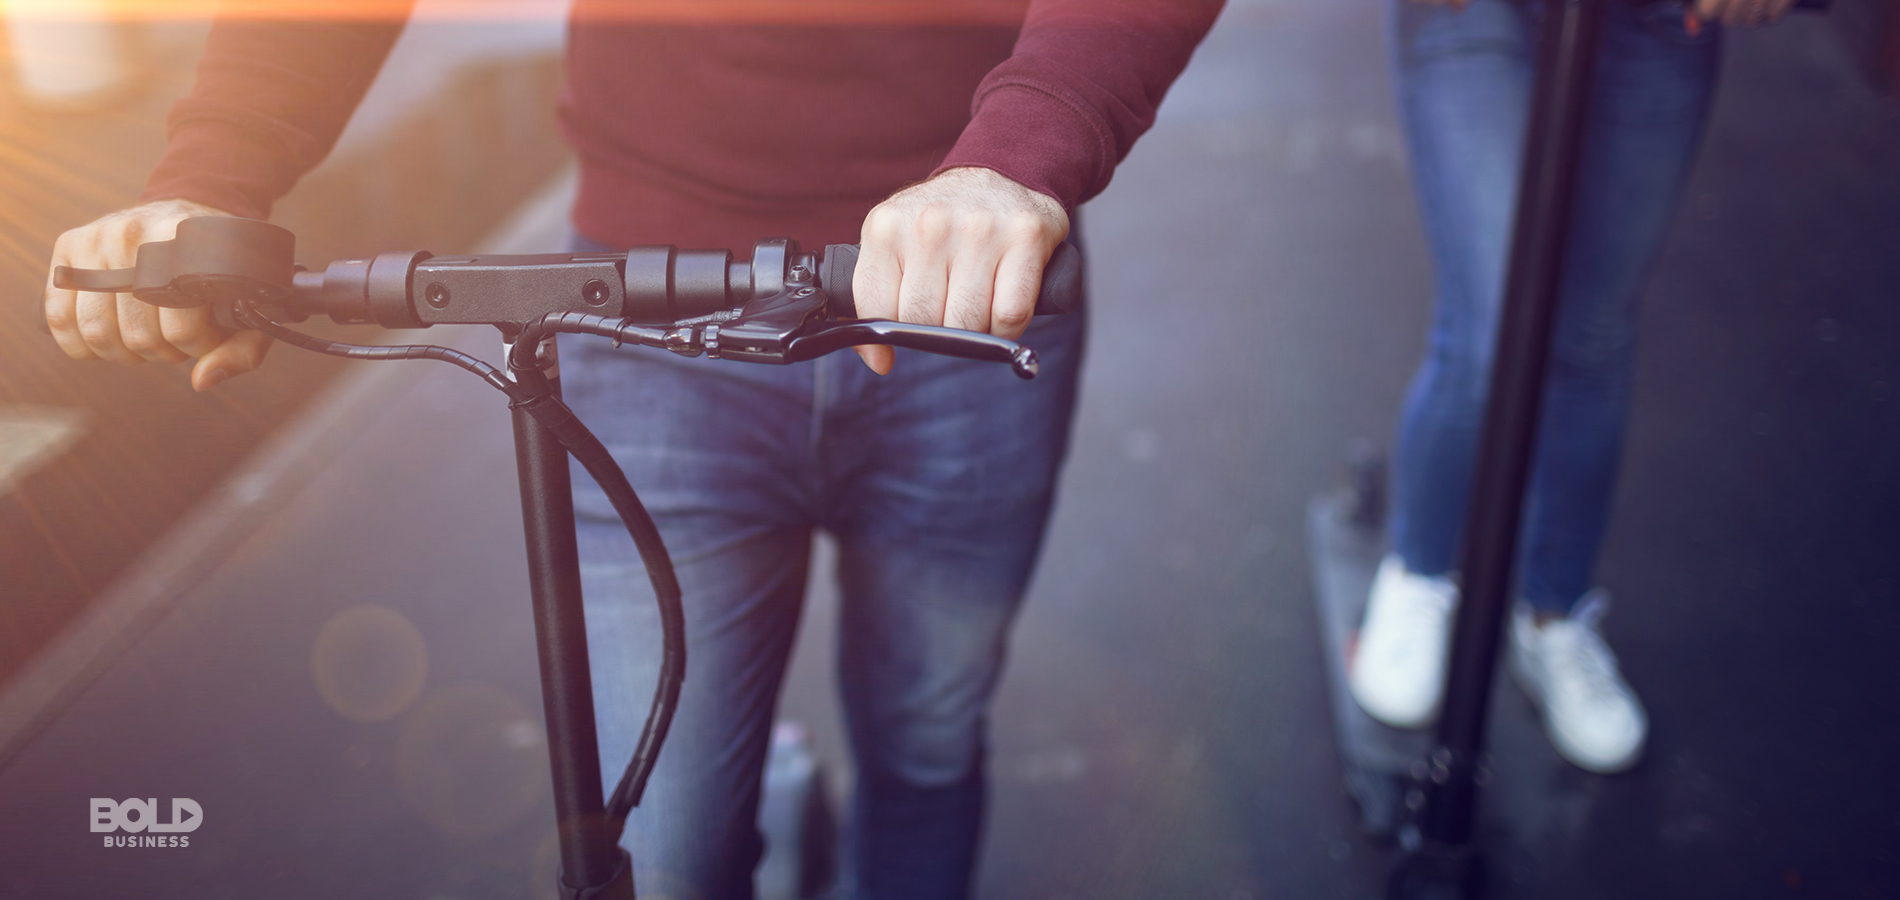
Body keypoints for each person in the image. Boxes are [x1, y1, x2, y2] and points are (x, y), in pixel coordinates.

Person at [41, 1, 1223, 897]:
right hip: (648, 319)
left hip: (963, 301)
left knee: (927, 738)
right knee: (664, 844)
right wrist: (214, 174)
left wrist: (1021, 150)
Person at [1348, 0, 1795, 774]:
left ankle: (1554, 613)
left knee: (1592, 336)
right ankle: (1420, 571)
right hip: (1474, 12)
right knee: (1490, 327)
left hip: (1657, 18)